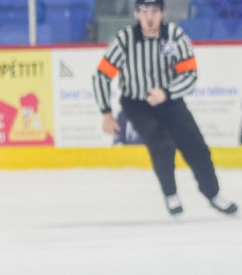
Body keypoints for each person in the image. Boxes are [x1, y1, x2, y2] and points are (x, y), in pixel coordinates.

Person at [93, 0, 238, 216]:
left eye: (154, 11)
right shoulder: (124, 40)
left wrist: (166, 92)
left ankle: (214, 194)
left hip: (169, 100)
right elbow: (101, 76)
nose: (149, 17)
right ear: (136, 13)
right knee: (161, 144)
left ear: (162, 13)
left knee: (197, 147)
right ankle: (171, 195)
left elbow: (190, 75)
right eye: (144, 11)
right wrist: (106, 112)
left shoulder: (175, 36)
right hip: (136, 103)